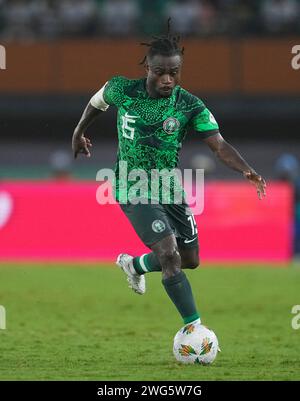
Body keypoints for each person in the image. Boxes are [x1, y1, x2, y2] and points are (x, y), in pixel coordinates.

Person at [72, 22, 266, 329]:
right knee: (170, 255)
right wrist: (78, 132)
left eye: (174, 72)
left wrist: (246, 169)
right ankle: (195, 330)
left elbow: (218, 144)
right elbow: (97, 103)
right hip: (131, 184)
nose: (167, 79)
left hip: (169, 187)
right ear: (148, 67)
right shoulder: (122, 88)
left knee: (191, 259)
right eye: (160, 72)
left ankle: (133, 265)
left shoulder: (189, 104)